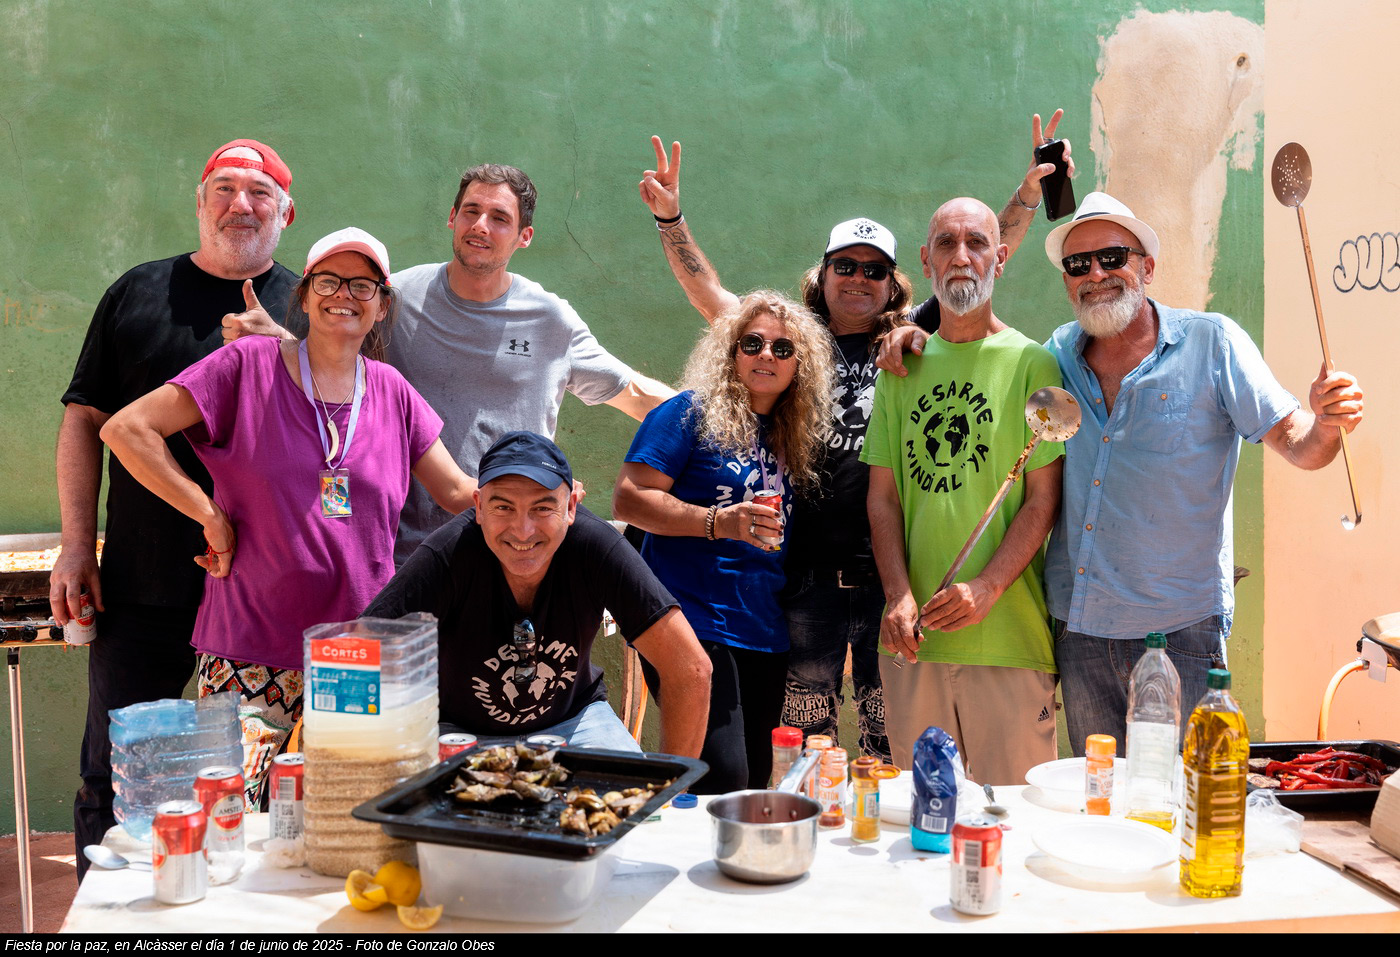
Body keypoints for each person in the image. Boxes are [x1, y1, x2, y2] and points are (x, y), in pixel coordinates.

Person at [636, 112, 1070, 763]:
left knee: (884, 745)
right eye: (845, 265)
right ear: (824, 272)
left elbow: (976, 255)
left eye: (873, 269)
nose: (859, 278)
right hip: (802, 575)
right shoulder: (791, 342)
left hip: (886, 577)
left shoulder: (909, 336)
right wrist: (671, 220)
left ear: (894, 281)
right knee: (803, 744)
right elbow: (711, 297)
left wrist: (1030, 191)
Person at [100, 227, 477, 804]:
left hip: (355, 653)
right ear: (303, 295)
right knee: (233, 813)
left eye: (362, 285)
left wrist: (539, 489)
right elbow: (127, 429)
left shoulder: (393, 391)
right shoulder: (247, 365)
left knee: (343, 817)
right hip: (249, 649)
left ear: (381, 306)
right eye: (328, 281)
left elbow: (454, 491)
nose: (343, 294)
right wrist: (209, 516)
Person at [53, 138, 302, 876]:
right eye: (224, 189)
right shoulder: (138, 292)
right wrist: (77, 545)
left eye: (259, 193)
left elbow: (347, 425)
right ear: (199, 203)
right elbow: (85, 420)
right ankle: (110, 915)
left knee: (257, 782)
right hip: (143, 585)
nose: (240, 205)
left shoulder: (308, 305)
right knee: (117, 775)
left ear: (286, 213)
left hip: (262, 593)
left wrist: (287, 349)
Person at [1038, 192, 1365, 753]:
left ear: (1147, 267)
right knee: (1100, 792)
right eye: (1077, 263)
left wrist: (1329, 422)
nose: (1095, 273)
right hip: (1080, 628)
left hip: (1180, 633)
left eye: (1112, 257)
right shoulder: (1057, 353)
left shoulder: (1212, 343)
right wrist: (913, 332)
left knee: (1185, 793)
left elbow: (1300, 446)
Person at [862, 198, 1063, 784]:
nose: (961, 257)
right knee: (923, 819)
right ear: (926, 261)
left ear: (1000, 259)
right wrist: (897, 594)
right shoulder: (900, 368)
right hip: (913, 642)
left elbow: (1043, 499)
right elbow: (883, 498)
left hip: (1007, 641)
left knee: (1016, 820)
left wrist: (987, 586)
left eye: (976, 243)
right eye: (946, 244)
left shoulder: (1033, 363)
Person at [364, 431, 711, 757]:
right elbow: (360, 654)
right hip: (457, 730)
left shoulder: (596, 547)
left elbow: (691, 668)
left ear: (571, 507)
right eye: (503, 507)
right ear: (479, 507)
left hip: (576, 721)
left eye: (542, 508)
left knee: (638, 800)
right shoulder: (448, 553)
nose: (523, 530)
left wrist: (672, 787)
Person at [613, 291, 837, 792]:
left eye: (783, 348)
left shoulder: (791, 434)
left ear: (800, 365)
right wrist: (719, 521)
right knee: (720, 777)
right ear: (731, 351)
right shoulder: (688, 412)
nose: (766, 355)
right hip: (690, 620)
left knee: (754, 782)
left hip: (763, 629)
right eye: (752, 343)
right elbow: (629, 499)